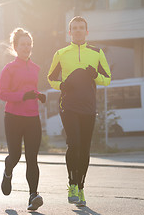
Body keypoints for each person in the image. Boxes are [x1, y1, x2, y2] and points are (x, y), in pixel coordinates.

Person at [47, 16, 111, 207]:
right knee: (73, 143)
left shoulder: (97, 52)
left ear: (87, 31)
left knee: (84, 149)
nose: (77, 31)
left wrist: (95, 75)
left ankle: (81, 188)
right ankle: (72, 184)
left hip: (88, 107)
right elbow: (50, 78)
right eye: (74, 28)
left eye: (81, 28)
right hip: (68, 106)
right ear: (69, 32)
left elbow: (107, 79)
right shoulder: (61, 53)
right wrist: (62, 86)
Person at [0, 28, 46, 211]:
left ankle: (33, 195)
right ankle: (8, 169)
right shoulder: (9, 69)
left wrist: (38, 95)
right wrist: (23, 96)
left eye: (29, 44)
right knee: (16, 155)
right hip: (13, 117)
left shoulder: (36, 68)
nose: (26, 47)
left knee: (32, 158)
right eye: (23, 44)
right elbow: (2, 94)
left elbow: (31, 90)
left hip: (32, 117)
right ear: (15, 47)